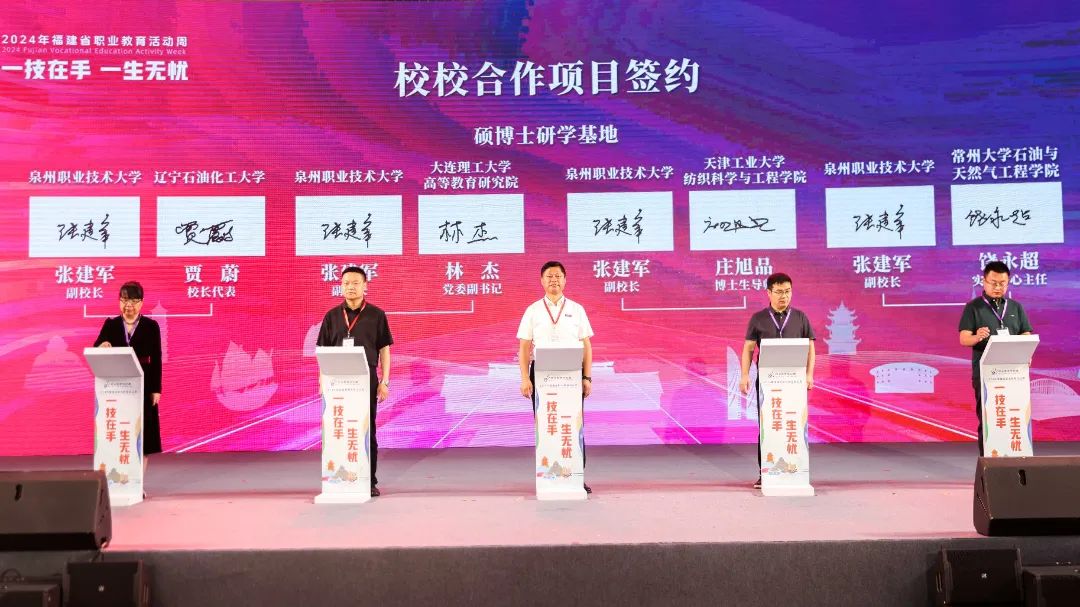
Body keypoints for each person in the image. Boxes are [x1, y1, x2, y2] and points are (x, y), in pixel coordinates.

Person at [517, 261, 594, 494]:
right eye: (549, 276)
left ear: (565, 280)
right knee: (547, 425)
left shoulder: (577, 309)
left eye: (558, 276)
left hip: (571, 374)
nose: (554, 280)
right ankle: (548, 477)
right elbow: (524, 347)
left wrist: (587, 377)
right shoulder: (533, 310)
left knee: (573, 425)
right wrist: (524, 378)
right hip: (541, 374)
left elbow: (586, 346)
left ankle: (576, 476)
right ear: (541, 281)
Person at [316, 266, 393, 497]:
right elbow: (322, 351)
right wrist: (322, 382)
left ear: (365, 285)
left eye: (355, 283)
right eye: (346, 283)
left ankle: (368, 480)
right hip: (336, 383)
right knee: (337, 430)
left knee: (366, 430)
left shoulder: (377, 315)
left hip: (366, 382)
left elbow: (384, 350)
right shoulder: (331, 316)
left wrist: (385, 381)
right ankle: (337, 477)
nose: (350, 287)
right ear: (341, 286)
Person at [739, 272, 815, 489]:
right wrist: (744, 375)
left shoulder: (800, 317)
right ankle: (766, 472)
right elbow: (748, 348)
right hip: (767, 382)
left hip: (794, 382)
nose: (784, 296)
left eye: (788, 291)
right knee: (768, 426)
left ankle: (797, 470)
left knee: (794, 424)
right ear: (769, 293)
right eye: (779, 292)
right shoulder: (758, 318)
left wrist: (809, 374)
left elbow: (811, 347)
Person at [958, 260, 1033, 454]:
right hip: (985, 374)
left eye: (1002, 283)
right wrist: (977, 336)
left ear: (1008, 283)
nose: (998, 287)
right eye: (993, 283)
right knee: (990, 419)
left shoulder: (1016, 307)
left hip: (1013, 374)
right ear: (983, 281)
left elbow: (1025, 333)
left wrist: (1026, 351)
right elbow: (964, 338)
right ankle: (989, 461)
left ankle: (1016, 457)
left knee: (1014, 417)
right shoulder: (973, 307)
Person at [94, 281, 163, 485]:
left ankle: (137, 483)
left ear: (141, 303)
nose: (128, 305)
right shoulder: (111, 324)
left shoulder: (151, 326)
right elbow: (97, 347)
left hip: (143, 385)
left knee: (144, 437)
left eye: (133, 301)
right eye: (124, 300)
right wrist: (102, 345)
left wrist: (156, 389)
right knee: (120, 435)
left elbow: (157, 359)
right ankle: (117, 481)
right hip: (117, 388)